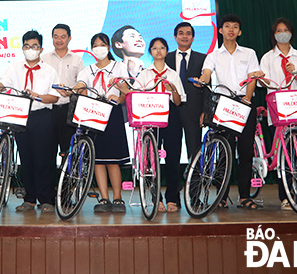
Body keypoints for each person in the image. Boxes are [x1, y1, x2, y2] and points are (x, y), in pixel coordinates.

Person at [198, 14, 263, 210]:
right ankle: (222, 196)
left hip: (245, 103)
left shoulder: (249, 53)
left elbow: (252, 77)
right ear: (221, 30)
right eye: (227, 26)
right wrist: (203, 78)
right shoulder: (213, 55)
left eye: (235, 27)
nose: (231, 30)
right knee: (224, 152)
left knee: (245, 151)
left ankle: (244, 196)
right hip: (224, 105)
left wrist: (248, 100)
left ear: (239, 32)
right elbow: (207, 72)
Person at [0, 30, 60, 213]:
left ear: (41, 49)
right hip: (19, 116)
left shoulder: (49, 70)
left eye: (35, 46)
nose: (31, 49)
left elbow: (54, 98)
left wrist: (38, 97)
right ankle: (29, 199)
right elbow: (2, 83)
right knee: (26, 158)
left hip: (41, 117)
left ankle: (46, 199)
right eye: (28, 46)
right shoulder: (14, 67)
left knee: (43, 159)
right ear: (22, 48)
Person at [259, 18, 297, 210]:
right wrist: (260, 78)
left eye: (286, 30)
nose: (282, 33)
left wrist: (296, 74)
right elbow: (263, 83)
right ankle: (286, 196)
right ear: (274, 35)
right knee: (283, 154)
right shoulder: (267, 58)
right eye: (279, 30)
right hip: (278, 111)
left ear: (292, 33)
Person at [72, 33, 130, 213]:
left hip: (112, 115)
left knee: (113, 160)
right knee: (97, 160)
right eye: (95, 45)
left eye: (102, 44)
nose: (99, 48)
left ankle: (118, 198)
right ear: (91, 49)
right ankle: (104, 198)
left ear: (109, 48)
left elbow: (127, 92)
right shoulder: (87, 70)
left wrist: (119, 93)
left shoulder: (119, 66)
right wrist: (74, 90)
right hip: (93, 114)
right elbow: (80, 86)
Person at [136, 38, 184, 213]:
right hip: (150, 115)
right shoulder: (144, 74)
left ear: (166, 51)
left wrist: (173, 90)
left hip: (170, 115)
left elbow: (179, 102)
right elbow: (135, 95)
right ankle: (157, 198)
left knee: (173, 158)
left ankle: (173, 198)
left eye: (162, 48)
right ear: (150, 51)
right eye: (155, 48)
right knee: (151, 160)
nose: (158, 51)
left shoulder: (173, 73)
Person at [40, 24, 84, 161]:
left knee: (69, 150)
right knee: (47, 149)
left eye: (63, 37)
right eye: (55, 37)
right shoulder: (44, 59)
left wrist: (70, 91)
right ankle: (49, 182)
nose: (59, 40)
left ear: (69, 38)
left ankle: (66, 182)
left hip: (68, 109)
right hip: (48, 110)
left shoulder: (77, 59)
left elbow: (82, 84)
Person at [165, 22, 208, 161]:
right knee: (171, 151)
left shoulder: (203, 58)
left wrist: (205, 111)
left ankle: (195, 182)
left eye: (188, 33)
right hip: (171, 110)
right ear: (175, 37)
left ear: (193, 38)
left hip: (194, 111)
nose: (185, 36)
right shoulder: (166, 58)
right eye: (181, 33)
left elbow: (208, 87)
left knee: (195, 150)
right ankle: (173, 183)